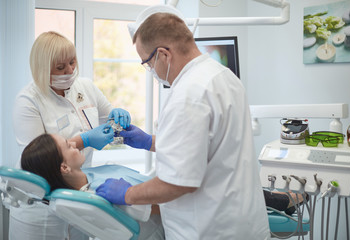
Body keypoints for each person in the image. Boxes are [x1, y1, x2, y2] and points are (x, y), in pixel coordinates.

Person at [96, 10, 271, 239]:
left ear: (163, 54)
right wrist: (150, 142)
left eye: (148, 64)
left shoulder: (188, 95)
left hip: (209, 229)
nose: (151, 71)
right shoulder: (223, 76)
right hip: (243, 223)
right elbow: (208, 148)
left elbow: (178, 183)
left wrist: (128, 193)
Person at [11, 31, 131, 240]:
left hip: (79, 195)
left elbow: (109, 118)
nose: (69, 70)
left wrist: (117, 117)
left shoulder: (85, 86)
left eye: (72, 62)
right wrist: (84, 140)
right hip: (40, 206)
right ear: (43, 69)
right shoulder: (28, 100)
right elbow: (36, 158)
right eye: (60, 67)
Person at [20, 133, 165, 240]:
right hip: (169, 223)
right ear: (64, 168)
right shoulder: (101, 195)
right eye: (68, 145)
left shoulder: (84, 176)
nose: (75, 144)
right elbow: (161, 208)